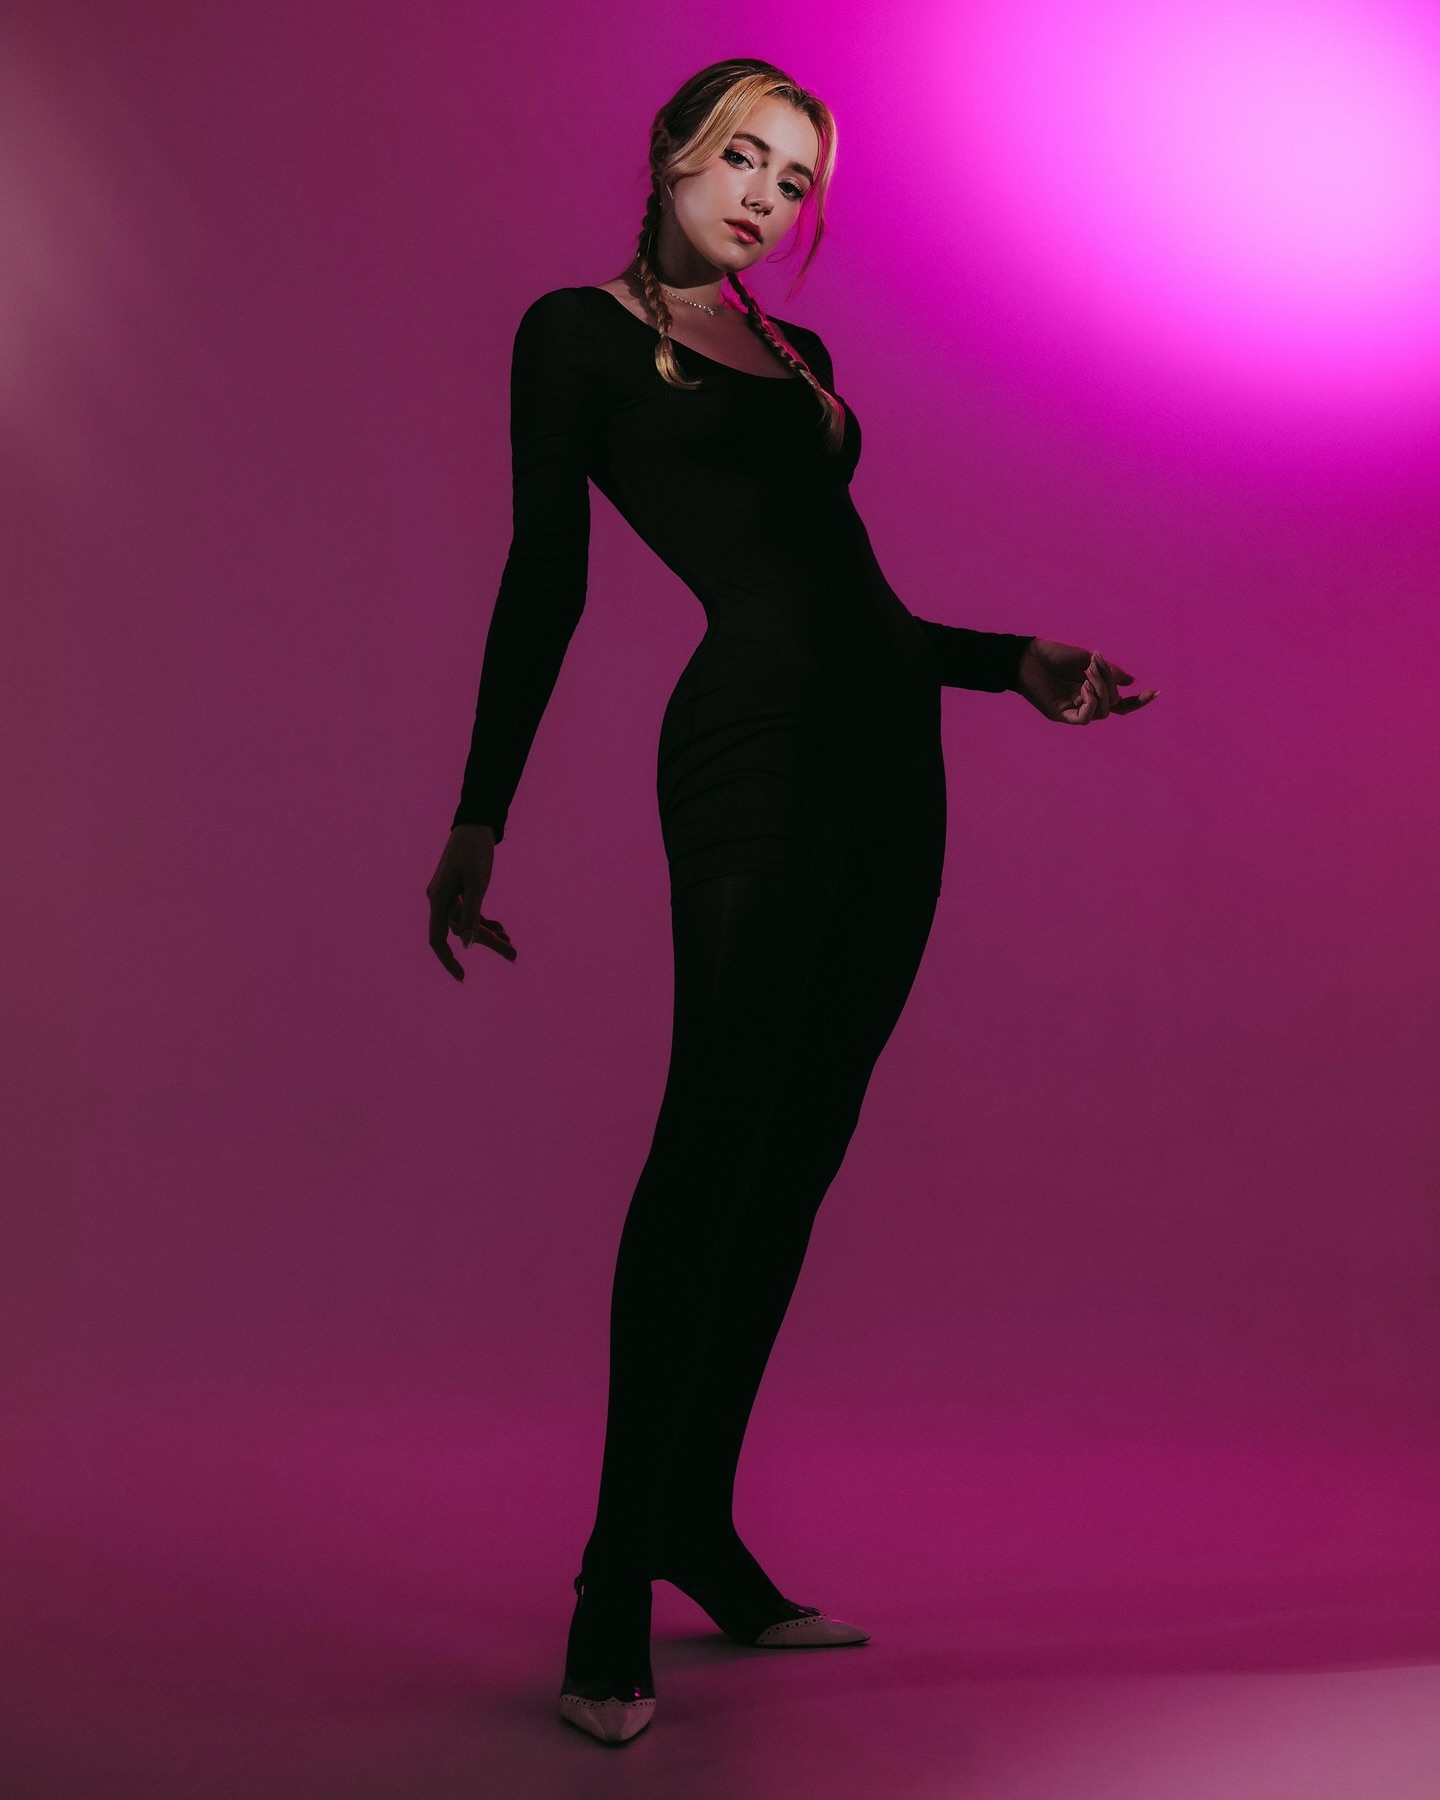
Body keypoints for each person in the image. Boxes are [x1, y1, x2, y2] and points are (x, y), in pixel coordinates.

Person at [425, 57, 1157, 1744]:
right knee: (711, 1139)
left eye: (795, 178)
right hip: (750, 756)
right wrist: (480, 813)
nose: (765, 194)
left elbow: (846, 600)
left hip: (892, 760)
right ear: (672, 152)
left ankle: (696, 1518)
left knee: (802, 1147)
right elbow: (548, 576)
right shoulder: (579, 336)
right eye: (742, 156)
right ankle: (610, 1585)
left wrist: (1006, 659)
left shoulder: (804, 358)